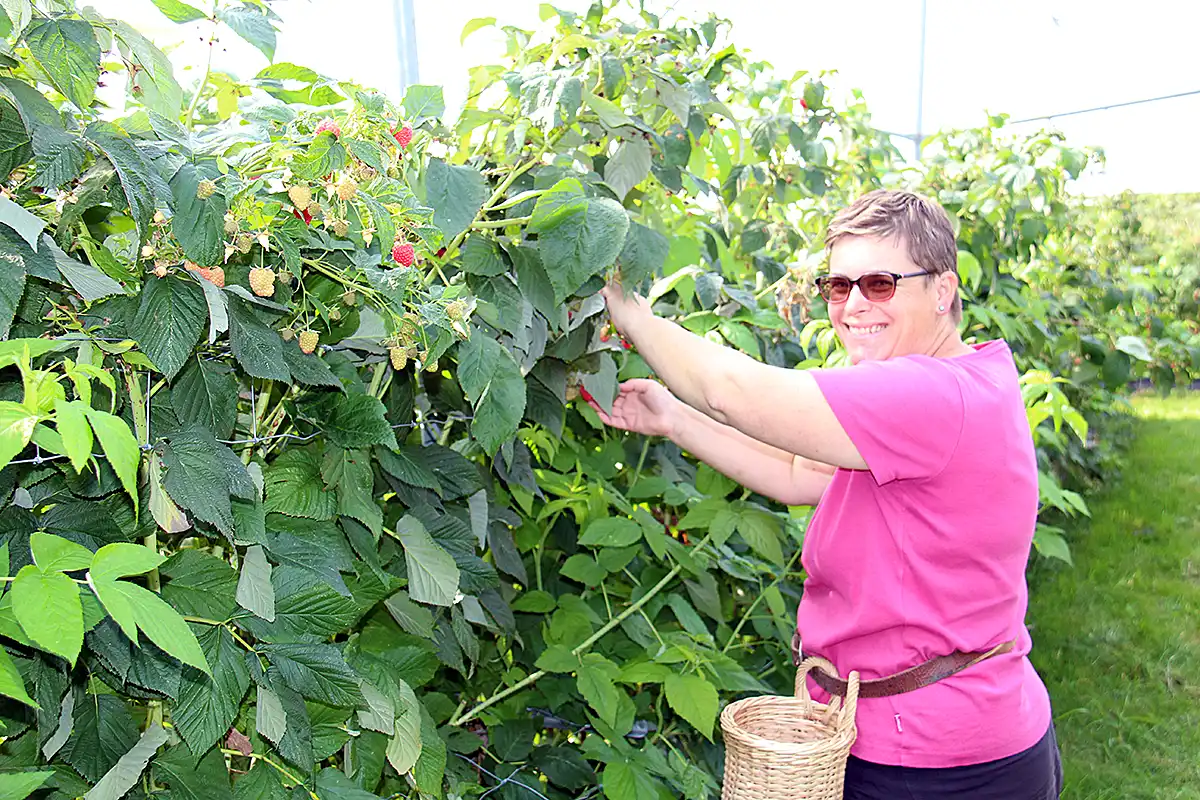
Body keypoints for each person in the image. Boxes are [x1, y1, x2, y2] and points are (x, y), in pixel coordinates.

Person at [588, 189, 1063, 799]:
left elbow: (731, 390)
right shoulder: (964, 380)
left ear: (943, 291)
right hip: (945, 734)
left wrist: (627, 309)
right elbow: (795, 474)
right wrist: (675, 419)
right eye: (839, 287)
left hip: (932, 761)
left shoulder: (930, 396)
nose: (854, 305)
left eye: (881, 284)